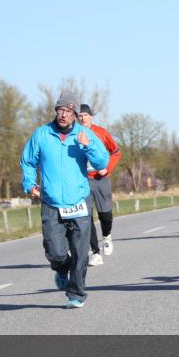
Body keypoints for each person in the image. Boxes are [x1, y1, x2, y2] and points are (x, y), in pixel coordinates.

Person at [21, 91, 109, 309]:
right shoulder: (42, 135)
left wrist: (88, 145)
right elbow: (28, 161)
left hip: (79, 200)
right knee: (55, 251)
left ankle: (76, 295)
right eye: (60, 110)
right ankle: (62, 268)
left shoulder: (84, 134)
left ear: (75, 115)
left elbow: (102, 163)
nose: (63, 114)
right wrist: (30, 184)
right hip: (51, 202)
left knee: (80, 253)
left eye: (68, 111)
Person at [77, 104, 121, 267]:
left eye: (85, 115)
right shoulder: (74, 134)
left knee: (105, 215)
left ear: (91, 117)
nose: (82, 118)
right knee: (86, 217)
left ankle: (107, 236)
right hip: (83, 180)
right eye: (80, 116)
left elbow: (116, 152)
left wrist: (106, 168)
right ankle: (95, 252)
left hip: (100, 178)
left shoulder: (101, 133)